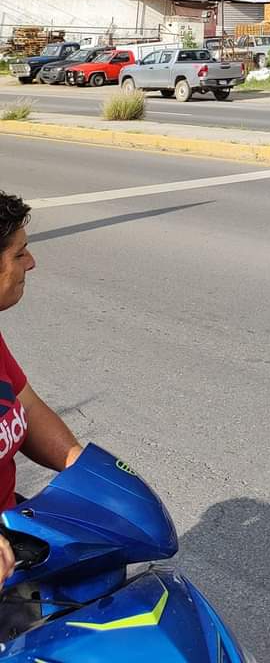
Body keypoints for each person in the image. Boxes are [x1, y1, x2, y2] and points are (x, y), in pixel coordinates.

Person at [0, 193, 83, 584]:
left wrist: (81, 468)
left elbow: (25, 405)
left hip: (13, 536)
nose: (31, 263)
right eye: (19, 254)